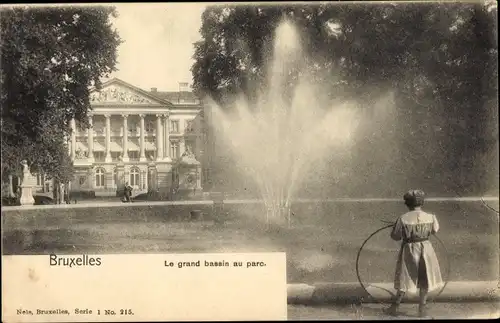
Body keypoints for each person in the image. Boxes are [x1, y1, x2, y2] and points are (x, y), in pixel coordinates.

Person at [386, 189, 444, 318]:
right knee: (425, 277)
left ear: (407, 203)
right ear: (421, 203)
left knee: (405, 276)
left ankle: (395, 307)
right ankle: (422, 309)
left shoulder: (402, 218)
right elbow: (434, 231)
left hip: (410, 250)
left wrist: (401, 229)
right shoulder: (431, 217)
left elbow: (395, 236)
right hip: (426, 249)